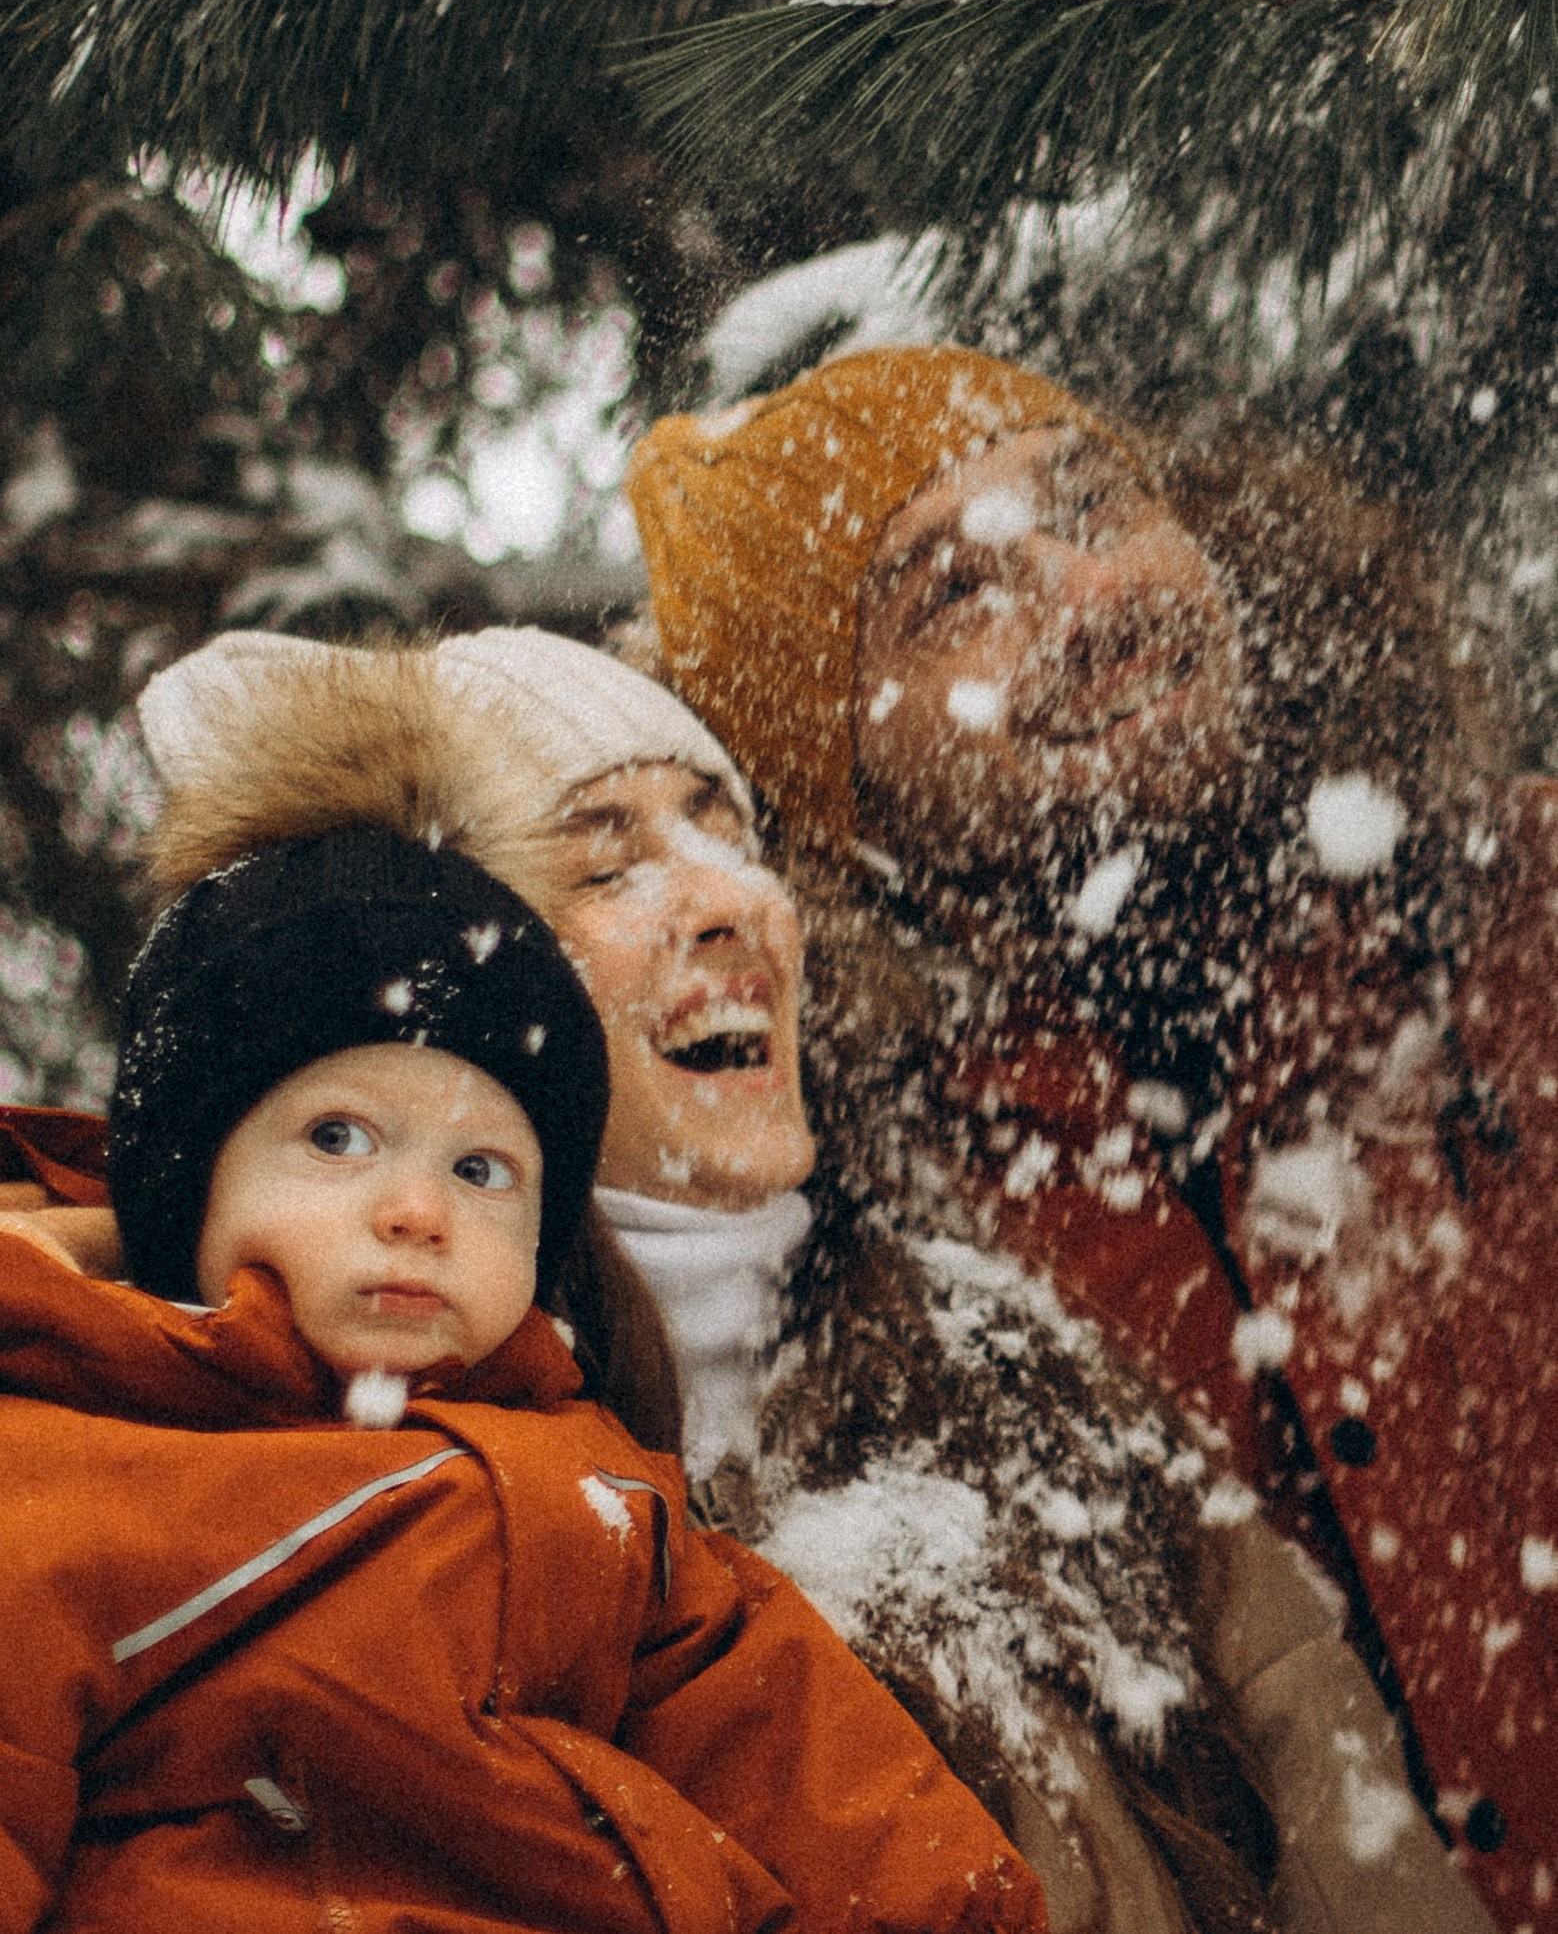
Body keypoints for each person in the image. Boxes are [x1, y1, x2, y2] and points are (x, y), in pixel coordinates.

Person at [2, 625, 1496, 1933]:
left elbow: (1354, 1854)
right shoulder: (216, 1434)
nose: (727, 898)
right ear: (450, 983)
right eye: (604, 859)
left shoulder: (1016, 1367)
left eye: (730, 831)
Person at [625, 342, 1558, 1934]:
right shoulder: (858, 1244)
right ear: (828, 785)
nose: (1095, 591)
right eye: (952, 592)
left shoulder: (1522, 921)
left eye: (1096, 504)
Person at [0, 807, 1048, 1934]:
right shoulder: (71, 1460)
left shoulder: (595, 1484)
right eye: (338, 1138)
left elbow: (801, 1756)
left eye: (481, 1168)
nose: (418, 1211)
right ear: (187, 1185)